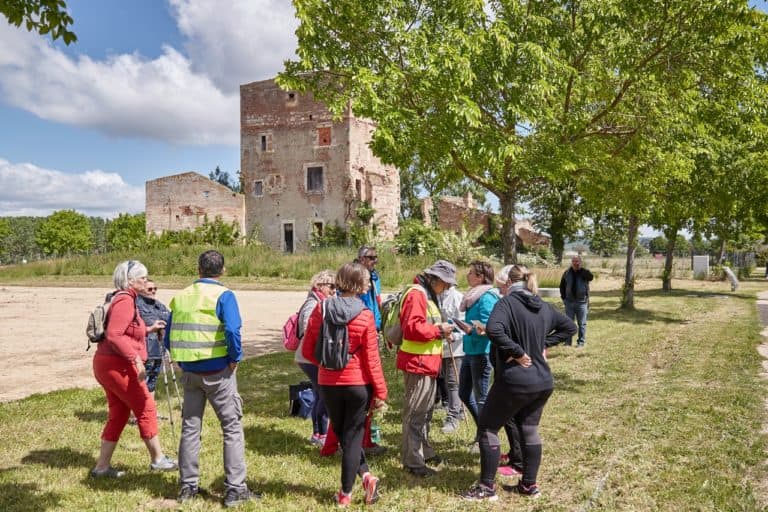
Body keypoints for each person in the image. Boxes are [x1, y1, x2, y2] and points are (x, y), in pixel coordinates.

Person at [462, 265, 576, 501]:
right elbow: (570, 327)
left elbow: (494, 329)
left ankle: (486, 488)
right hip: (542, 380)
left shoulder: (507, 303)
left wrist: (518, 350)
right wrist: (543, 344)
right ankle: (529, 485)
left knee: (487, 427)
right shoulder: (541, 304)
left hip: (516, 379)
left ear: (507, 285)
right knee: (529, 429)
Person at [165, 250, 259, 507]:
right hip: (218, 372)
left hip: (190, 372)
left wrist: (179, 359)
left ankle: (187, 486)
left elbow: (168, 332)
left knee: (190, 428)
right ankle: (235, 489)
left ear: (198, 269)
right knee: (231, 428)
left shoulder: (181, 296)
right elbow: (232, 329)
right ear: (223, 270)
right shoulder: (225, 295)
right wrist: (235, 357)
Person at [302, 263, 388, 507]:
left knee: (344, 437)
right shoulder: (365, 315)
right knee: (353, 437)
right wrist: (380, 390)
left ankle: (366, 477)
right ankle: (346, 493)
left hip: (328, 383)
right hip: (357, 384)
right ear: (359, 285)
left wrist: (326, 364)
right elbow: (372, 359)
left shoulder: (322, 308)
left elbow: (308, 348)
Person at [91, 260, 177, 478]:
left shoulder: (127, 299)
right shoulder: (125, 301)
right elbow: (114, 335)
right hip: (117, 365)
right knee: (146, 406)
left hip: (107, 364)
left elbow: (128, 331)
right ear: (130, 281)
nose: (147, 281)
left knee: (119, 413)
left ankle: (101, 467)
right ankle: (158, 459)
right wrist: (136, 359)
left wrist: (149, 328)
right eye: (143, 278)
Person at [397, 260, 455, 477]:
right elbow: (412, 329)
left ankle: (424, 451)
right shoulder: (417, 294)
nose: (447, 288)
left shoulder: (426, 294)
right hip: (418, 362)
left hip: (427, 362)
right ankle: (413, 461)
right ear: (435, 279)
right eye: (446, 284)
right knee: (415, 413)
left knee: (425, 411)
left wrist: (440, 331)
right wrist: (439, 331)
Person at [457, 261, 499, 445]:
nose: (467, 275)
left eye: (471, 272)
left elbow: (489, 326)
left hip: (482, 352)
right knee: (464, 393)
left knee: (482, 398)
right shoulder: (474, 295)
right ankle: (481, 431)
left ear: (481, 277)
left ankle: (486, 438)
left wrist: (470, 330)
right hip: (470, 350)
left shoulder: (487, 297)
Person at [295, 269, 336, 446]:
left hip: (313, 356)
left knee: (320, 394)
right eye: (332, 286)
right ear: (320, 286)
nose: (335, 290)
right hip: (309, 357)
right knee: (324, 394)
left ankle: (318, 433)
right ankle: (321, 434)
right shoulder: (312, 303)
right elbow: (307, 329)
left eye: (336, 287)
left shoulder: (322, 300)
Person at [136, 279, 170, 400]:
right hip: (145, 350)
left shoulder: (158, 304)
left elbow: (168, 318)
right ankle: (139, 414)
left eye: (155, 288)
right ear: (141, 289)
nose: (153, 291)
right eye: (150, 289)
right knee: (142, 381)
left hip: (158, 348)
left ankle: (151, 411)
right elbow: (149, 321)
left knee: (153, 380)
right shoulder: (137, 304)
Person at [438, 283, 465, 434]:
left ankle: (453, 417)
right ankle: (459, 409)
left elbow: (463, 323)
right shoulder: (436, 295)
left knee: (453, 381)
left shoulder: (457, 297)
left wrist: (454, 335)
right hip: (441, 346)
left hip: (456, 348)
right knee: (447, 380)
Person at [559, 255, 594, 347]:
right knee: (569, 323)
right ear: (572, 262)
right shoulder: (567, 273)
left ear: (580, 262)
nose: (576, 263)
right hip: (569, 302)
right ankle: (568, 342)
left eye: (577, 261)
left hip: (581, 302)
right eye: (574, 261)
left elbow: (591, 277)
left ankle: (581, 342)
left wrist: (582, 270)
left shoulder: (584, 272)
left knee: (582, 323)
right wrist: (564, 298)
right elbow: (562, 286)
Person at [355, 245, 382, 330]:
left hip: (374, 326)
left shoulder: (375, 277)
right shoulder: (352, 277)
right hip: (360, 327)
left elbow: (378, 302)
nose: (375, 261)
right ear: (362, 259)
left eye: (376, 257)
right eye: (372, 258)